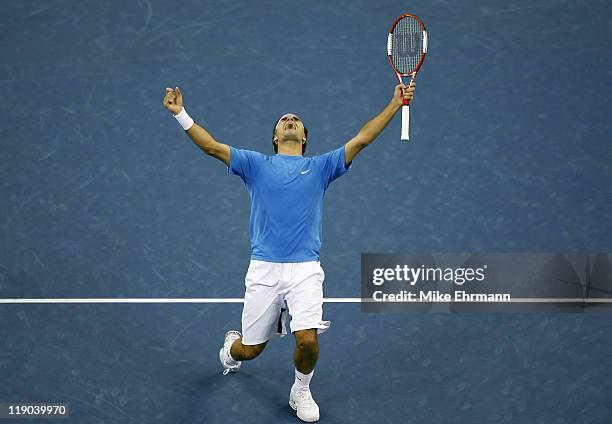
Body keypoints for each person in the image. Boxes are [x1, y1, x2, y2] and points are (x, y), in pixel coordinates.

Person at [163, 81, 416, 422]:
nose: (290, 120)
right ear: (275, 137)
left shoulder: (323, 166)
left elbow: (363, 139)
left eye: (296, 120)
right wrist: (180, 114)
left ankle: (301, 388)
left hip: (305, 270)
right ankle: (231, 348)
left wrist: (394, 103)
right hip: (264, 269)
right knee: (251, 350)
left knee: (308, 341)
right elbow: (211, 147)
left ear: (304, 138)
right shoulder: (255, 164)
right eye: (284, 120)